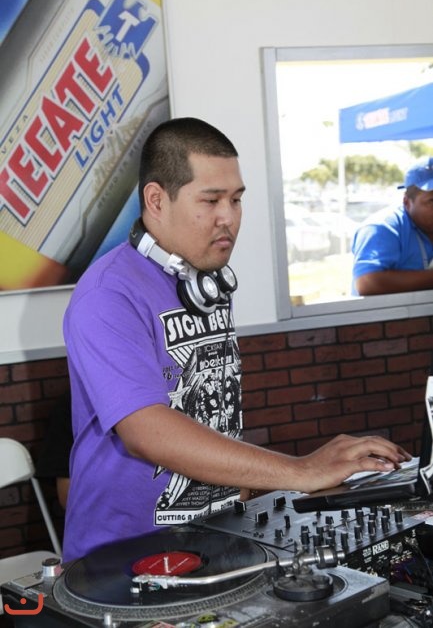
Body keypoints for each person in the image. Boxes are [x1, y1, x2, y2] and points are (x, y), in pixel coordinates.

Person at [63, 117, 410, 562]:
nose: (228, 217)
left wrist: (251, 492)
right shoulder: (107, 294)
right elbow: (146, 431)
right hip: (123, 557)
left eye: (236, 199)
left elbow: (213, 415)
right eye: (210, 201)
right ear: (156, 200)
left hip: (213, 533)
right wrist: (300, 471)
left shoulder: (203, 281)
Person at [352, 156, 433, 296]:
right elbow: (367, 282)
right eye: (431, 201)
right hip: (384, 316)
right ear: (407, 202)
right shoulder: (382, 227)